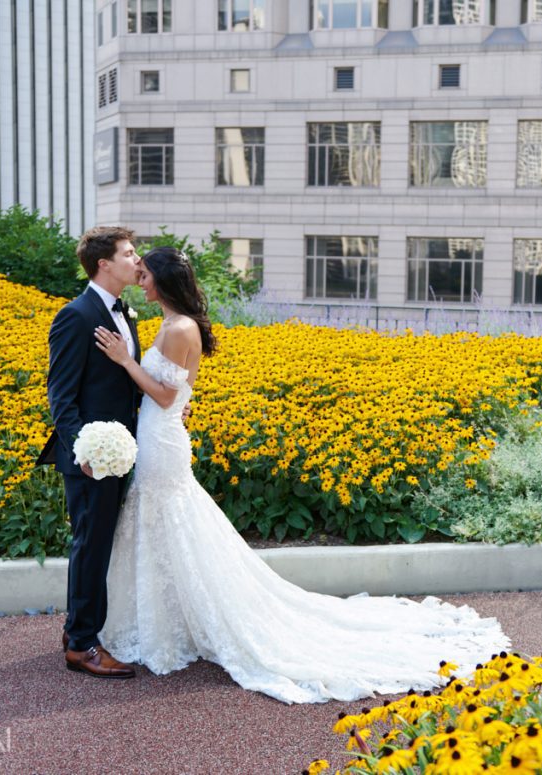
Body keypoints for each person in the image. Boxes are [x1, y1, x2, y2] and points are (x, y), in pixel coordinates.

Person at [93, 246, 509, 703]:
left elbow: (168, 397)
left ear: (166, 281)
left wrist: (125, 361)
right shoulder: (174, 324)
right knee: (168, 528)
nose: (141, 279)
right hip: (159, 435)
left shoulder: (179, 328)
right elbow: (175, 393)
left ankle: (177, 626)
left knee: (171, 523)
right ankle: (168, 622)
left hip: (162, 439)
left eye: (147, 273)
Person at [38, 226, 142, 679]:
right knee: (91, 546)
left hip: (120, 451)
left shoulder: (125, 312)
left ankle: (76, 630)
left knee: (98, 545)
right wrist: (85, 449)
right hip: (91, 458)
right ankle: (81, 645)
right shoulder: (75, 315)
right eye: (129, 253)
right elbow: (60, 396)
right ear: (104, 263)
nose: (136, 261)